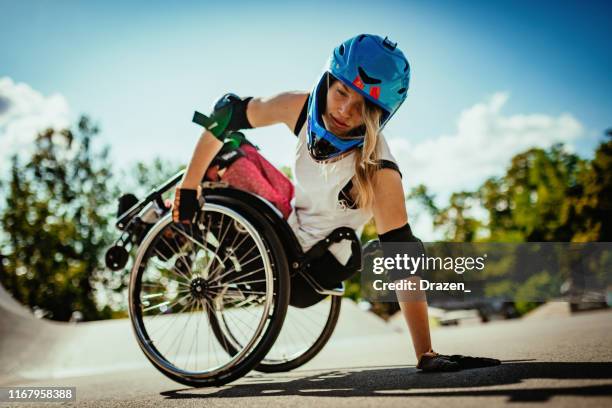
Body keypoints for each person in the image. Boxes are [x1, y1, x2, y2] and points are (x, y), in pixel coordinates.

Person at [173, 34, 500, 372]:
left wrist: (426, 353)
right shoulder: (300, 107)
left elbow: (402, 260)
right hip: (287, 219)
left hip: (309, 266)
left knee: (224, 162)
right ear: (327, 81)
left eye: (361, 106)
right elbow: (226, 113)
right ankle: (167, 226)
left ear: (377, 115)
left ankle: (169, 228)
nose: (344, 110)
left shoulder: (379, 170)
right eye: (341, 92)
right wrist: (187, 187)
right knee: (229, 147)